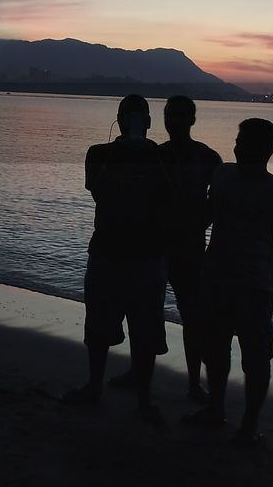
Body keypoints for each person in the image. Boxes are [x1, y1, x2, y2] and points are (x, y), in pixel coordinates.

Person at [183, 118, 273, 447]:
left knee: (256, 359)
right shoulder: (223, 175)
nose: (237, 145)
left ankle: (249, 425)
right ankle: (215, 409)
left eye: (245, 141)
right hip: (216, 278)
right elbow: (207, 216)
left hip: (255, 288)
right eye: (238, 139)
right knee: (214, 350)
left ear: (266, 149)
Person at [62, 94, 172, 426]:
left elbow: (168, 197)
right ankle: (94, 386)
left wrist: (149, 156)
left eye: (139, 116)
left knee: (146, 331)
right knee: (98, 326)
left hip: (148, 255)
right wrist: (119, 153)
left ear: (149, 123)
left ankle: (143, 399)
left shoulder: (160, 156)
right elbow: (98, 189)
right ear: (119, 121)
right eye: (129, 116)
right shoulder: (99, 153)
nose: (134, 121)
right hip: (107, 252)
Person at [108, 95, 221, 403]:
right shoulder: (153, 154)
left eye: (181, 115)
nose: (174, 121)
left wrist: (200, 225)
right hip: (152, 246)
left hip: (191, 250)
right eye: (170, 115)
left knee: (193, 317)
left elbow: (219, 203)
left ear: (192, 119)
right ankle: (137, 371)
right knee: (144, 313)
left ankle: (194, 383)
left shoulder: (208, 158)